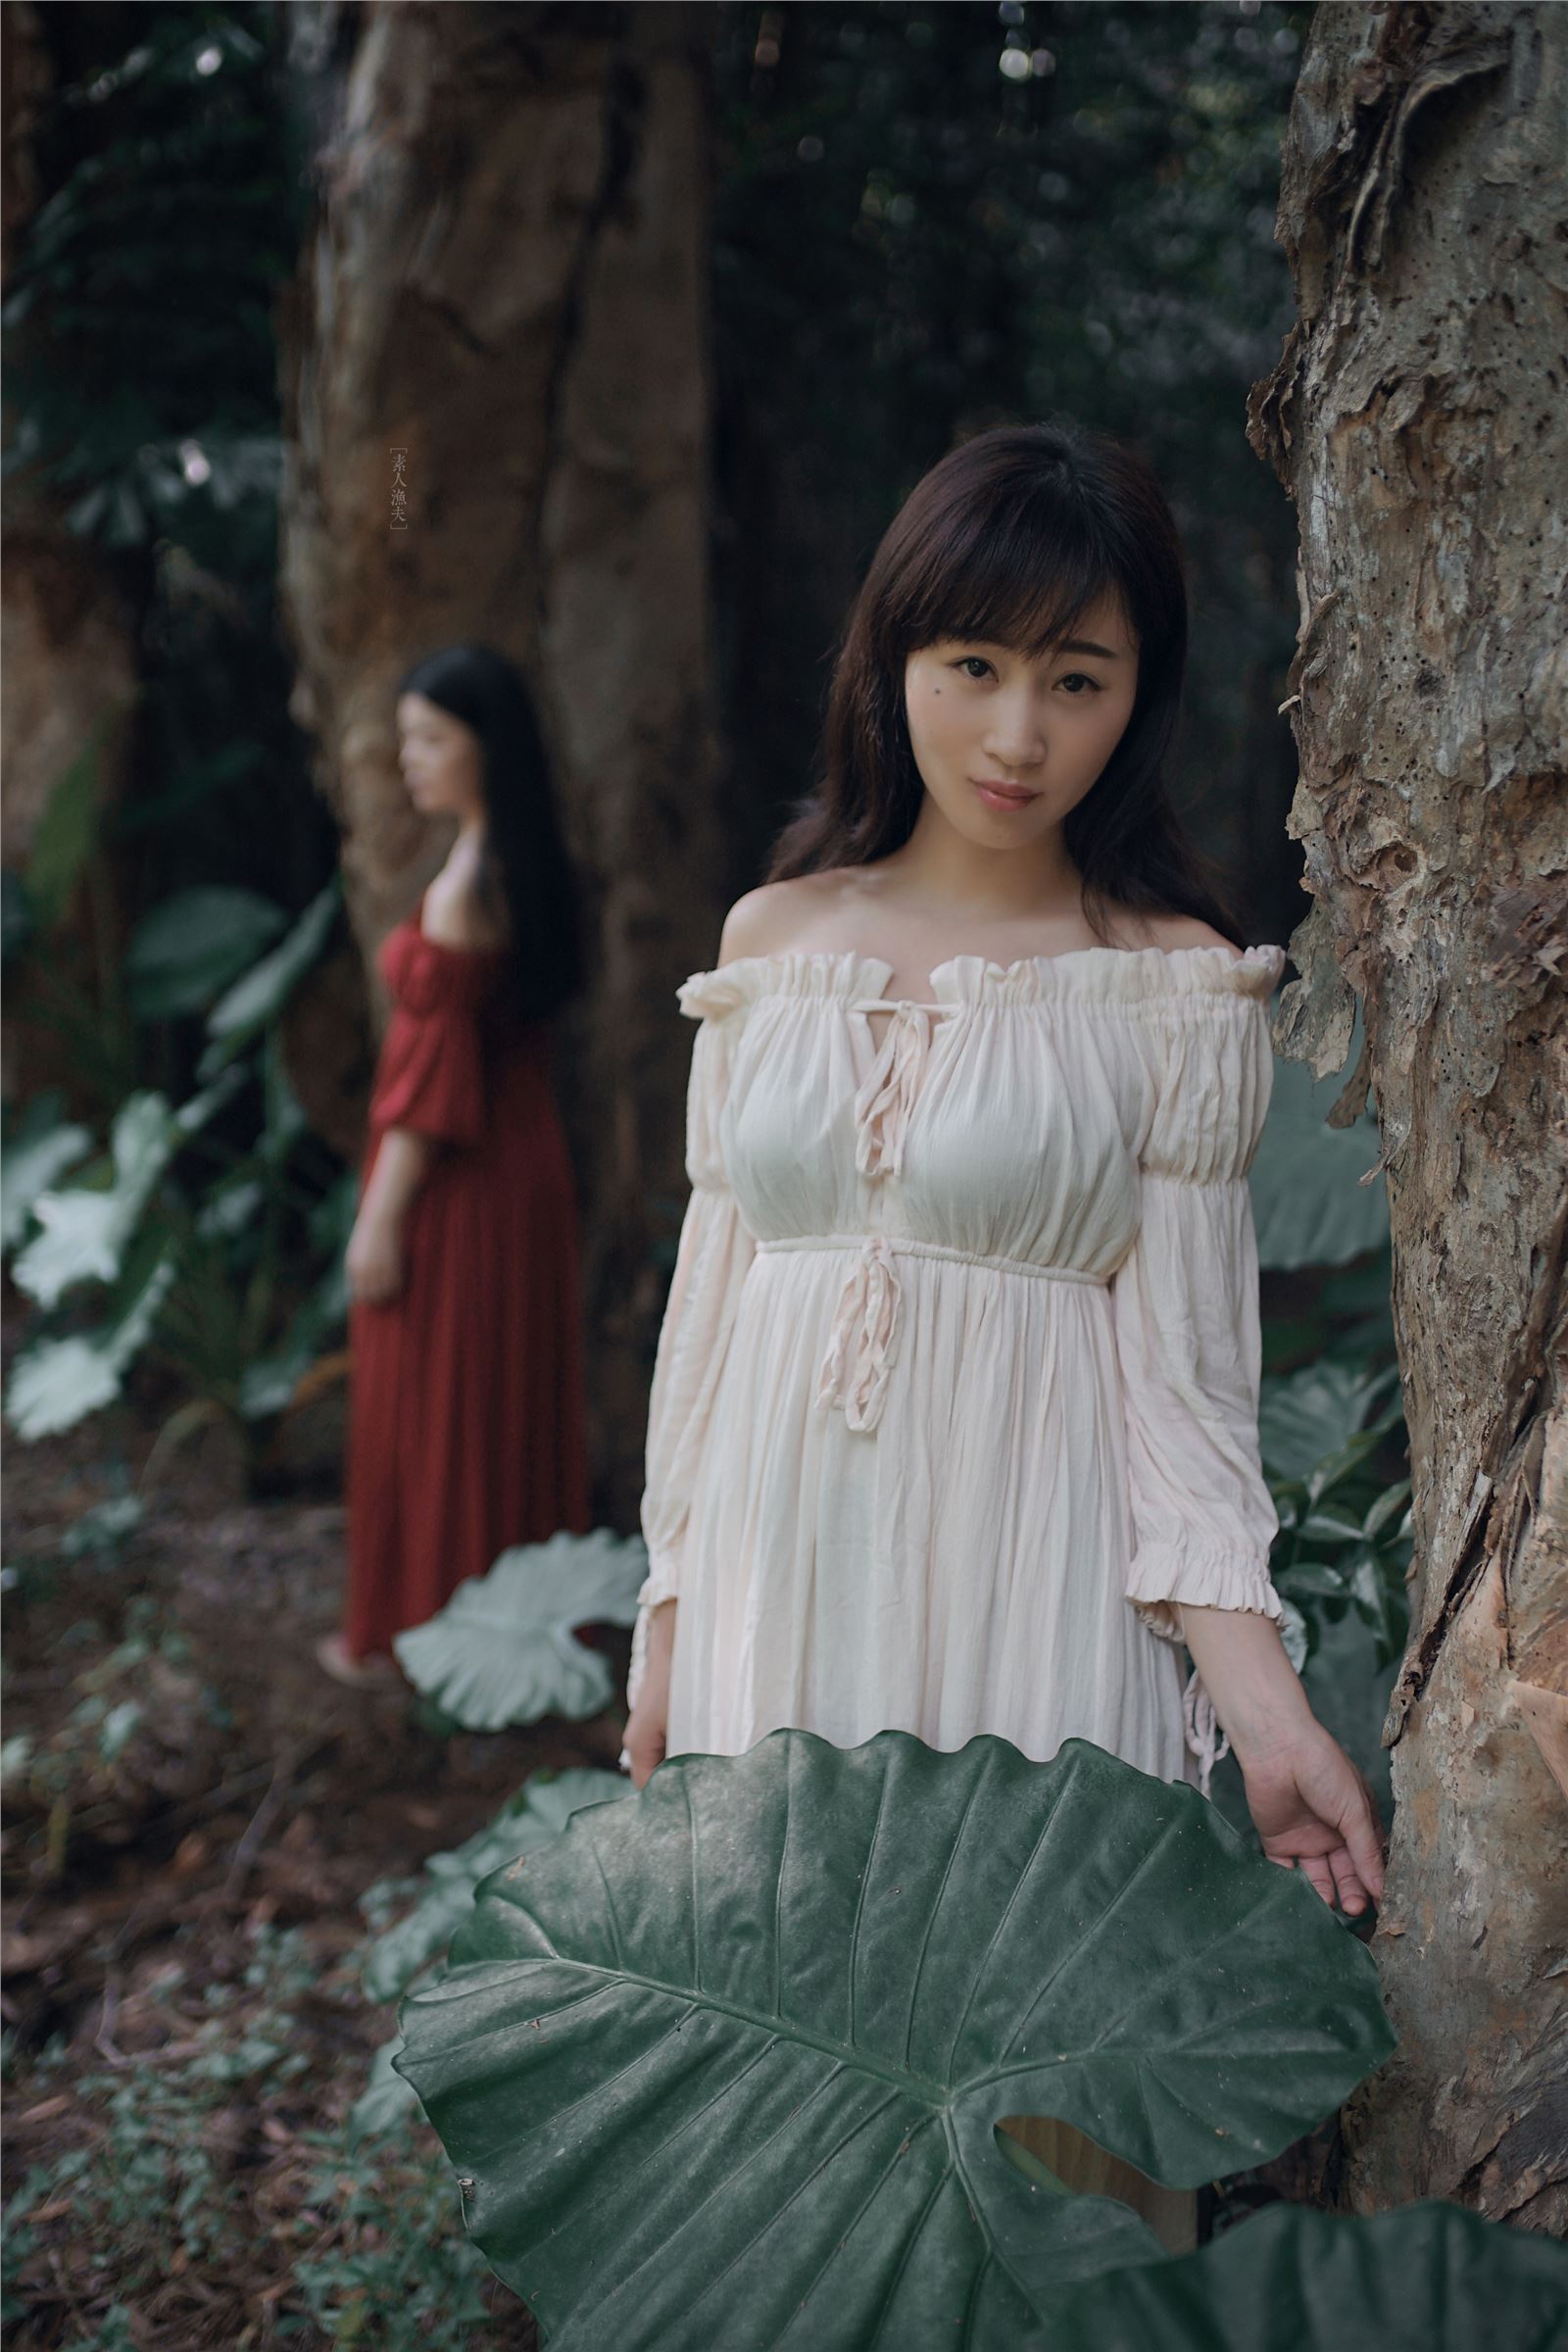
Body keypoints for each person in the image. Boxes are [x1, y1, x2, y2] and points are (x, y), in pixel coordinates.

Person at [619, 422, 1386, 2248]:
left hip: (1039, 1604)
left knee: (1024, 2106)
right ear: (896, 663)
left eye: (1077, 677)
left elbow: (1190, 1403)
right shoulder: (773, 939)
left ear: (1142, 696)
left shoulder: (1170, 984)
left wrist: (1262, 1708)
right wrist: (666, 1622)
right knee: (794, 2116)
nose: (1018, 734)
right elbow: (707, 1319)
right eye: (973, 666)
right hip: (776, 1604)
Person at [318, 644, 593, 1686]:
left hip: (462, 1183)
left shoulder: (466, 887)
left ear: (490, 748)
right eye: (407, 741)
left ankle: (432, 1640)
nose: (412, 762)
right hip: (527, 1167)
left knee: (439, 1405)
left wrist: (380, 1219)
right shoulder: (519, 865)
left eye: (434, 739)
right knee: (496, 1396)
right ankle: (493, 1641)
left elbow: (428, 1098)